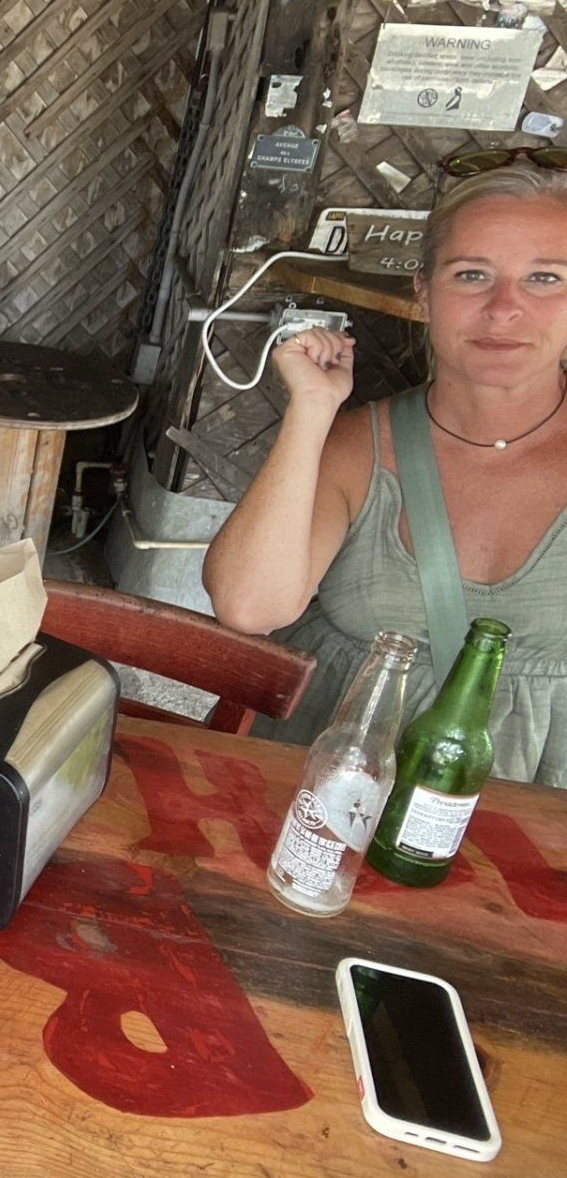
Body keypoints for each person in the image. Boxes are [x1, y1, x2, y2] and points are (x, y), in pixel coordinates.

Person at [203, 158, 567, 786]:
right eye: (472, 274)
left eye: (545, 277)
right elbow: (249, 606)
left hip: (534, 812)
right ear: (424, 292)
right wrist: (311, 411)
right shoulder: (360, 447)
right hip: (335, 786)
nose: (504, 307)